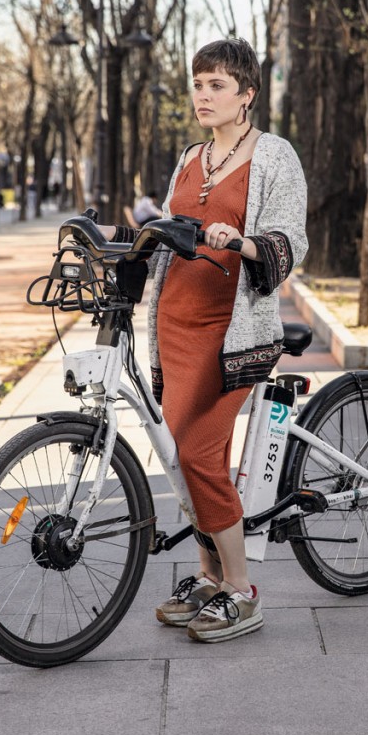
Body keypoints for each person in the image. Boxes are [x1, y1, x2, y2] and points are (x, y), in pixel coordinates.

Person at [99, 37, 307, 642]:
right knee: (182, 459)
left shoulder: (274, 156)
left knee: (198, 455)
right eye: (198, 84)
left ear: (246, 94)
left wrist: (241, 242)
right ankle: (208, 576)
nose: (203, 95)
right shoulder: (191, 157)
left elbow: (289, 237)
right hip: (177, 330)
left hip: (231, 334)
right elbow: (167, 232)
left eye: (217, 85)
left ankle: (243, 592)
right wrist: (117, 238)